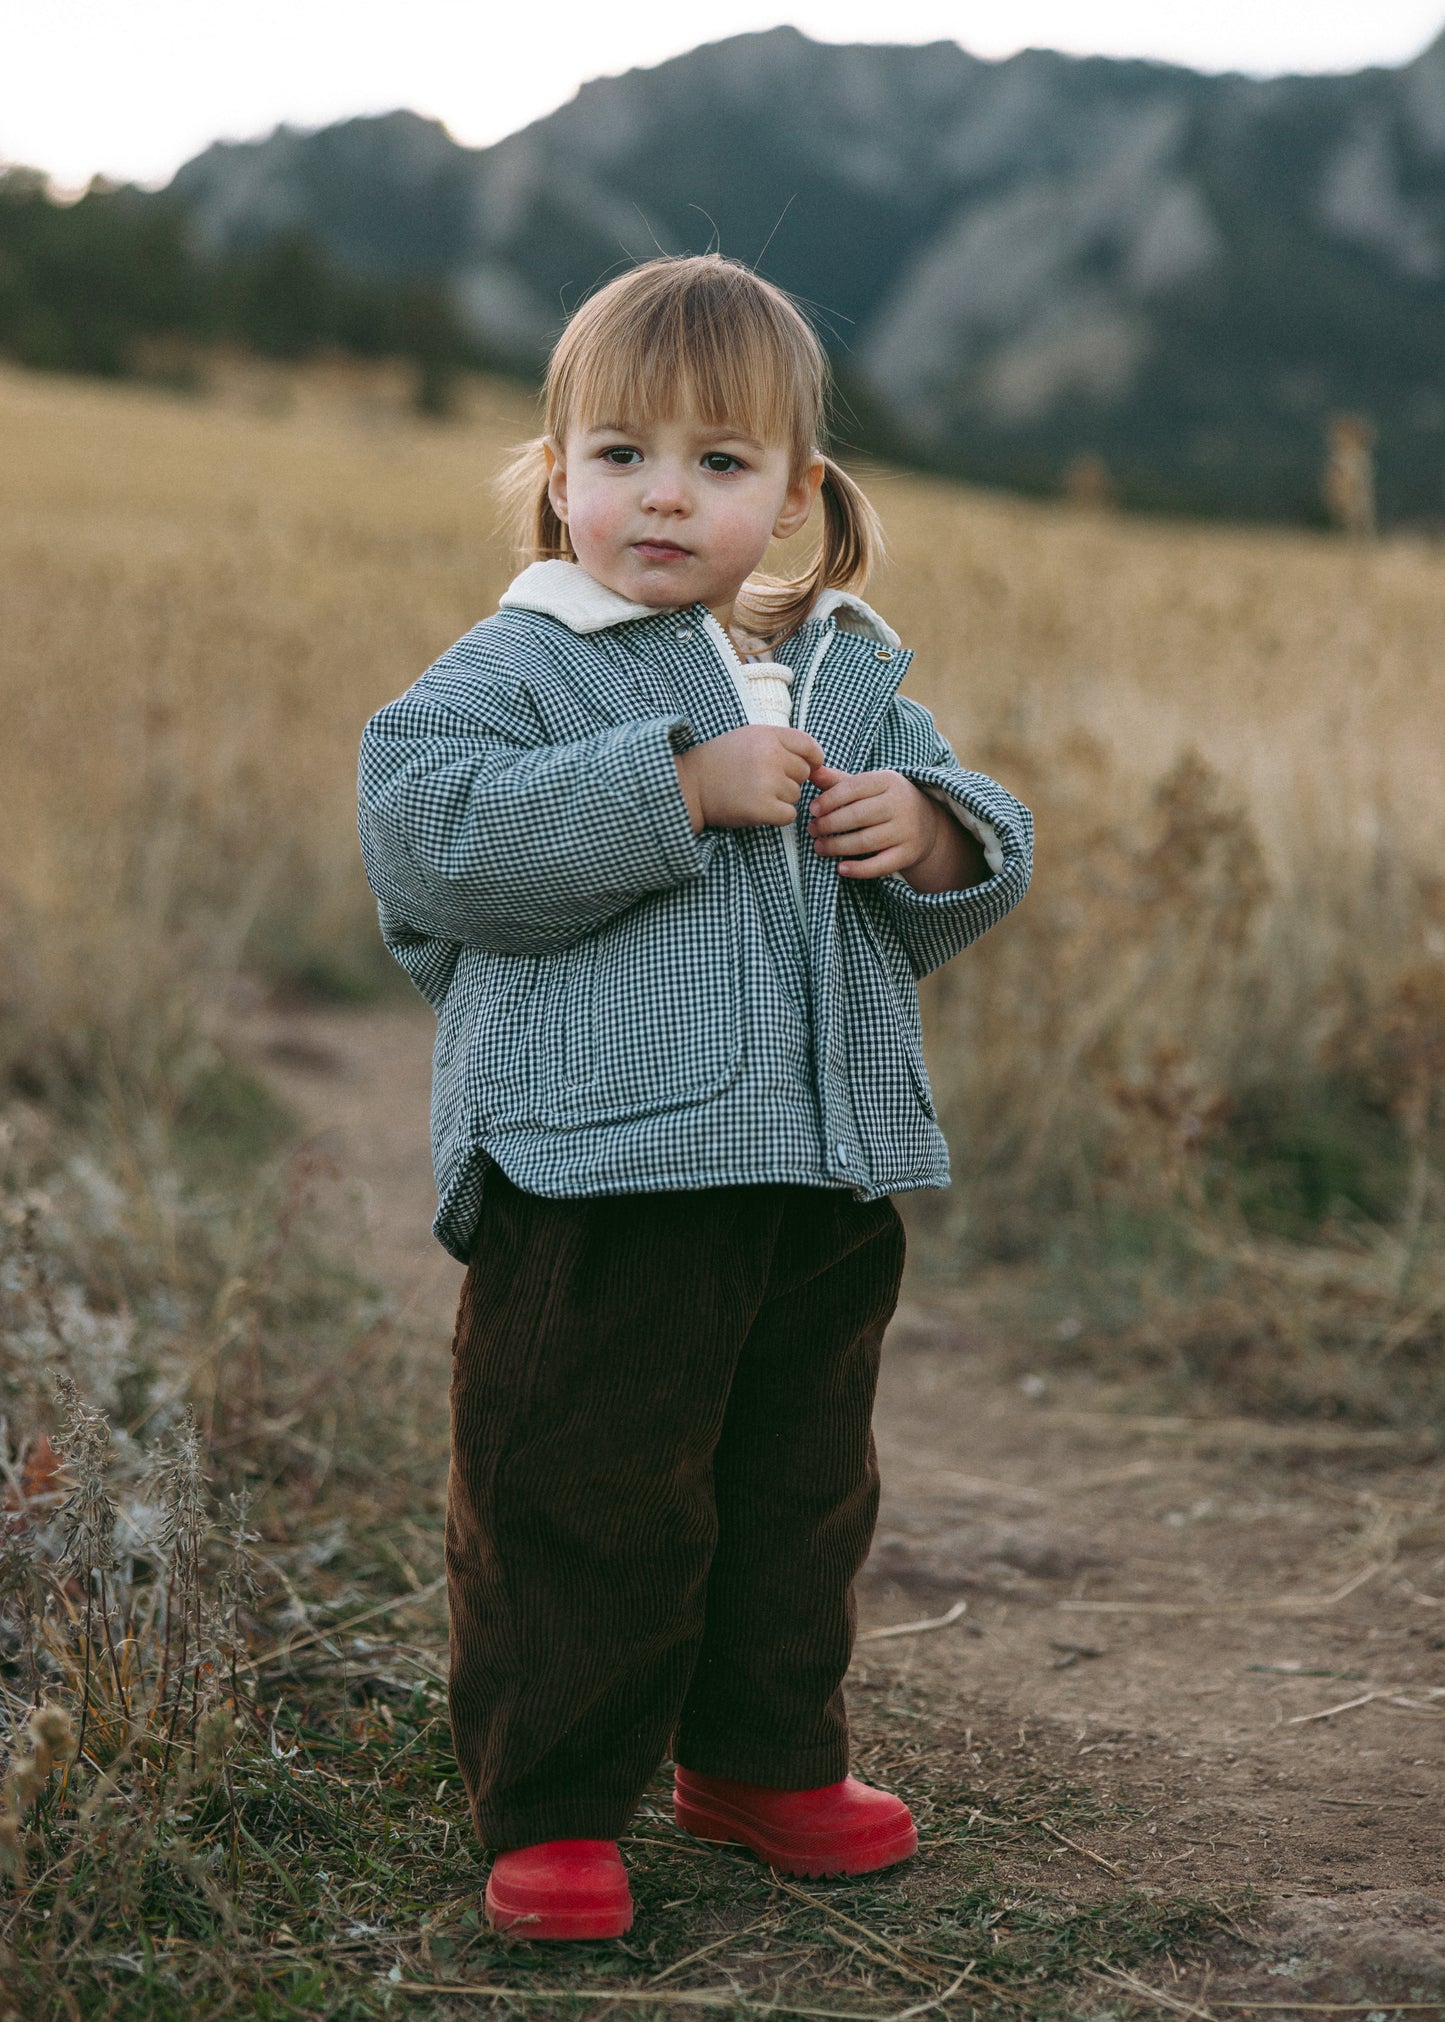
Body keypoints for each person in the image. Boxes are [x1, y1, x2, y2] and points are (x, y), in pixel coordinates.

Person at [357, 254, 1032, 1942]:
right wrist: (671, 787)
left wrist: (935, 830)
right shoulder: (521, 664)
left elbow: (968, 829)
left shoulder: (841, 668)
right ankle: (557, 1806)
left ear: (794, 495)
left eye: (721, 464)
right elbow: (426, 836)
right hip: (595, 1172)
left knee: (797, 1487)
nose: (666, 494)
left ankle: (759, 1757)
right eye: (621, 454)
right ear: (555, 474)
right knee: (578, 1486)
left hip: (816, 1169)